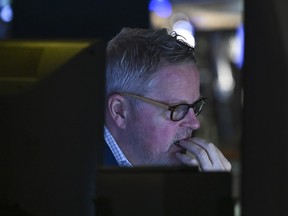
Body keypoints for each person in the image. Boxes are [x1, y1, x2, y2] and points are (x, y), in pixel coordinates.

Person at [104, 27, 231, 171]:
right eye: (178, 109)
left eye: (195, 106)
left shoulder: (162, 167)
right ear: (119, 111)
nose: (195, 124)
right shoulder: (81, 179)